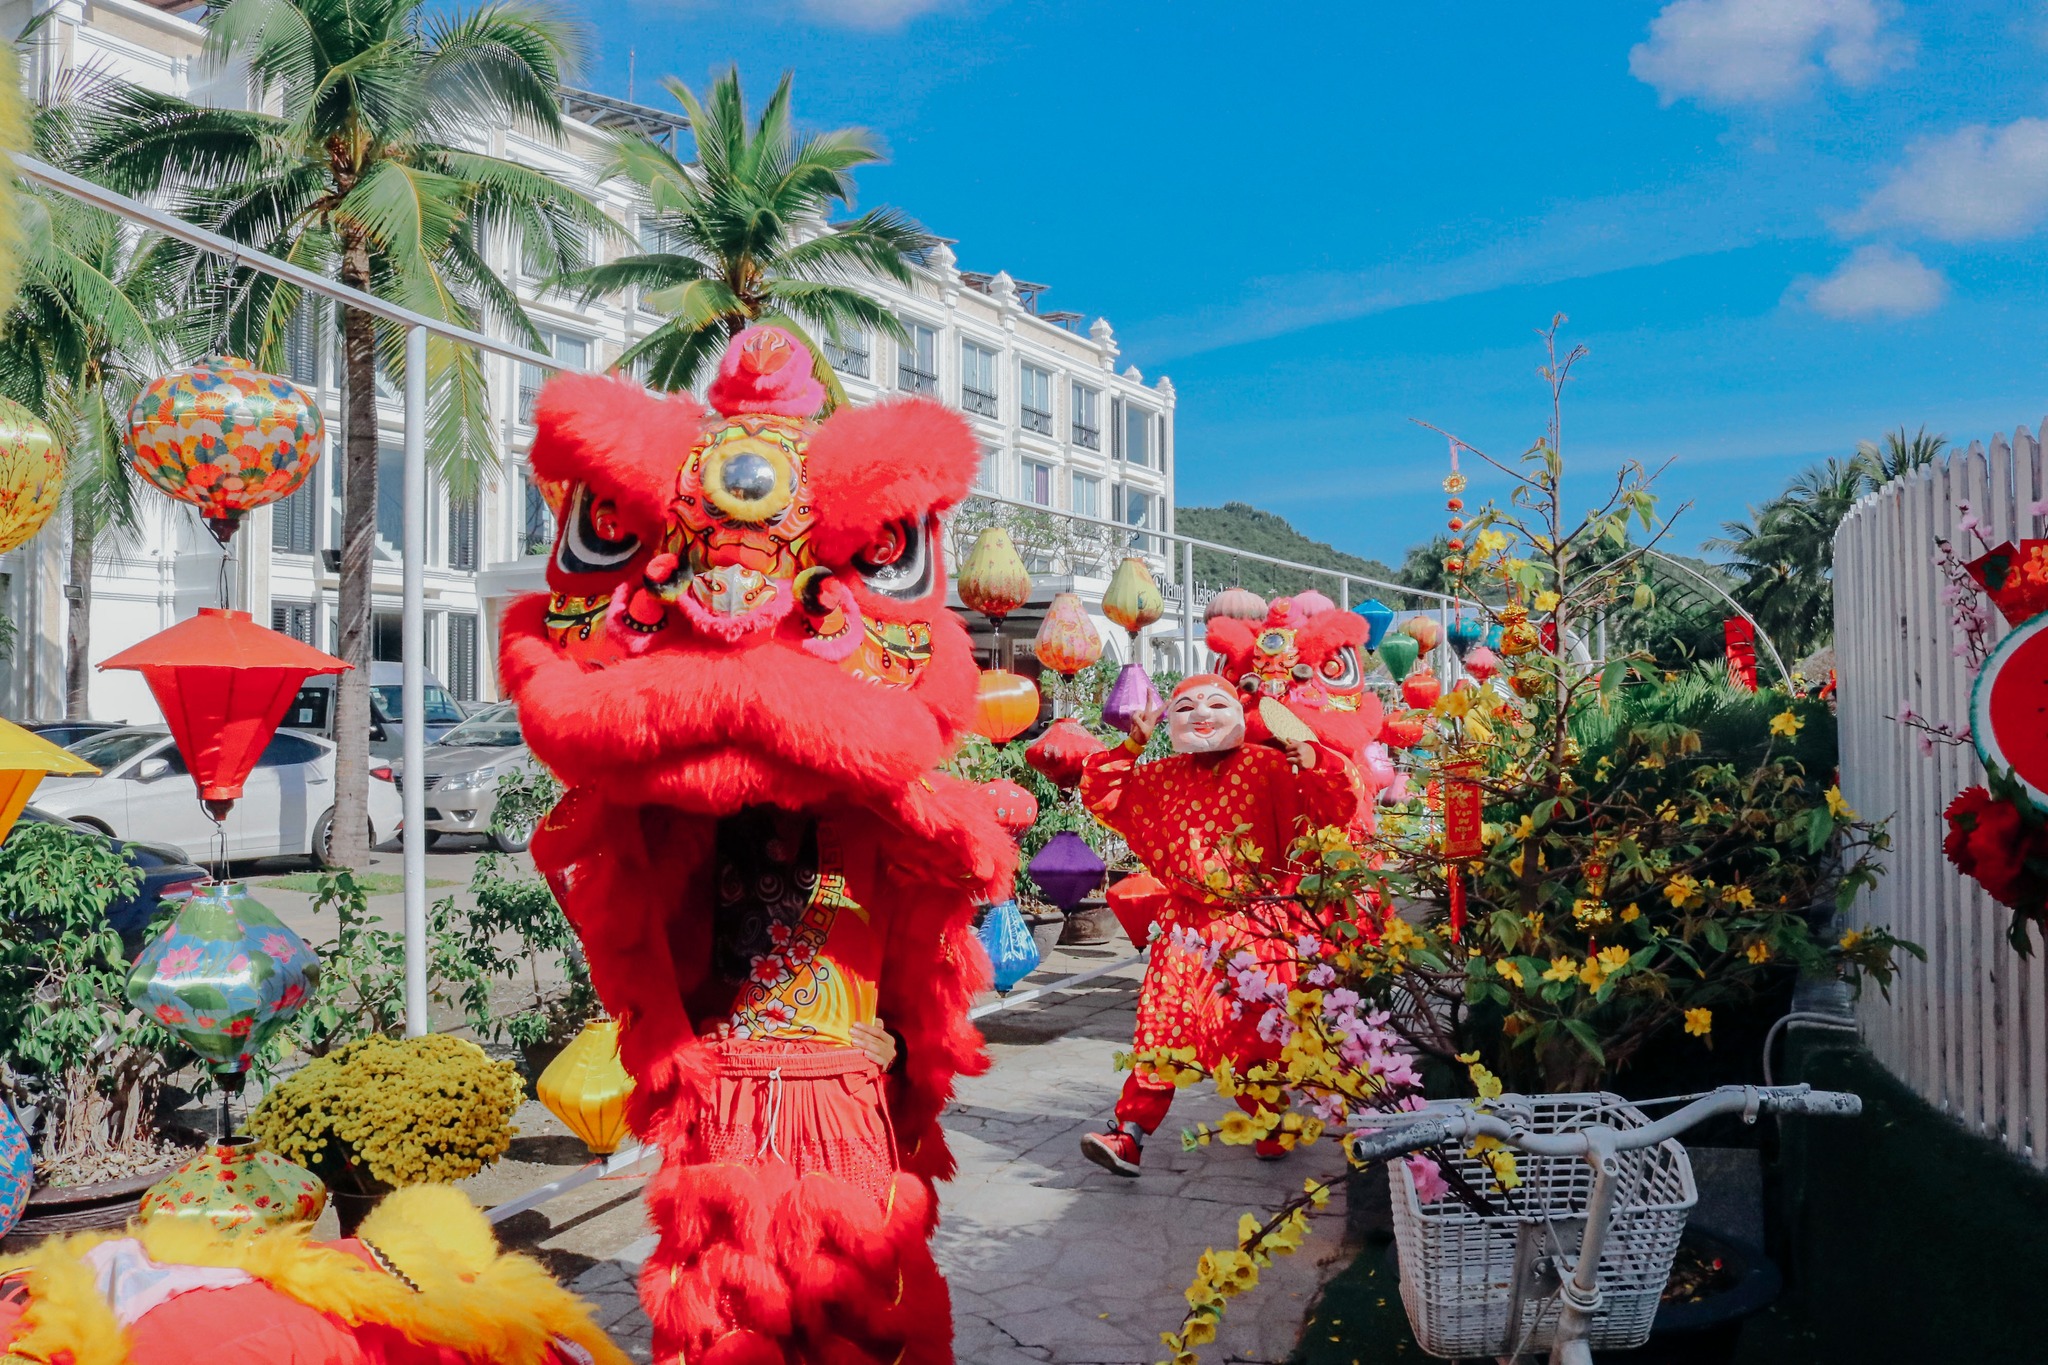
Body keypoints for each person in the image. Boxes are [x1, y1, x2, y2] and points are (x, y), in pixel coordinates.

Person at [1077, 674, 1360, 1176]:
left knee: (1254, 1038)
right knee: (1159, 1031)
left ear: (1238, 715)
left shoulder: (1270, 765)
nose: (1200, 714)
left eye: (1215, 704)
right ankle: (1129, 1136)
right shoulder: (1163, 775)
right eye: (1184, 706)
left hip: (1254, 924)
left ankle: (1271, 1121)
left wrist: (1317, 763)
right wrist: (1132, 744)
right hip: (1185, 925)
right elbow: (1103, 793)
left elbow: (1334, 809)